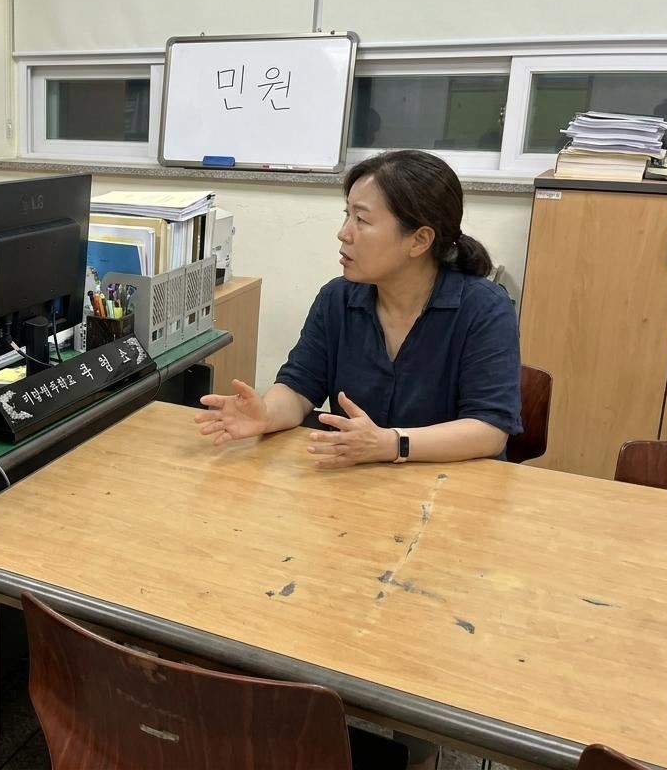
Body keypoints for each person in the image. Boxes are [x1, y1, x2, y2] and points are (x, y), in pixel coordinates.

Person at [194, 149, 521, 769]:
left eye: (363, 220)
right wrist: (267, 413)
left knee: (411, 655)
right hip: (345, 513)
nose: (344, 235)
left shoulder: (482, 308)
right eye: (346, 215)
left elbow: (491, 428)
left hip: (444, 522)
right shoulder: (339, 299)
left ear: (420, 239)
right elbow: (299, 384)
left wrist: (391, 444)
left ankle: (411, 740)